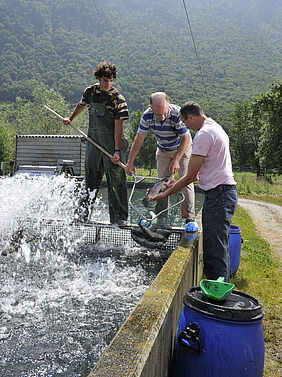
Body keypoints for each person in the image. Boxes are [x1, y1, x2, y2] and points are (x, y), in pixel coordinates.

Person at [151, 101, 237, 282]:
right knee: (220, 245)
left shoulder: (203, 134)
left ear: (190, 117)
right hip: (224, 193)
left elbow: (190, 176)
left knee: (214, 248)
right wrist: (175, 182)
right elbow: (205, 171)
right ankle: (222, 286)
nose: (186, 128)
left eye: (185, 123)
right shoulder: (215, 127)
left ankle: (216, 295)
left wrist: (166, 193)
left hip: (219, 196)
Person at [63, 60, 129, 225]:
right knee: (90, 179)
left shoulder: (117, 99)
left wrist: (117, 151)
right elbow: (81, 105)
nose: (108, 84)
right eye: (105, 80)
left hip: (113, 144)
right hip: (93, 142)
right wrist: (70, 118)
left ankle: (119, 219)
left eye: (111, 80)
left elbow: (118, 126)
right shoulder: (90, 92)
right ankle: (82, 216)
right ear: (99, 78)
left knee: (116, 182)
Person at [125, 92, 195, 223]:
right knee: (161, 183)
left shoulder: (176, 113)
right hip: (163, 149)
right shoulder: (147, 116)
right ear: (151, 108)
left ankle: (189, 217)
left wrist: (176, 160)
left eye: (164, 113)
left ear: (168, 105)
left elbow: (185, 139)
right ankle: (161, 217)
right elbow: (139, 139)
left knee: (186, 180)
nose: (162, 117)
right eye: (158, 114)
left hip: (182, 147)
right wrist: (130, 162)